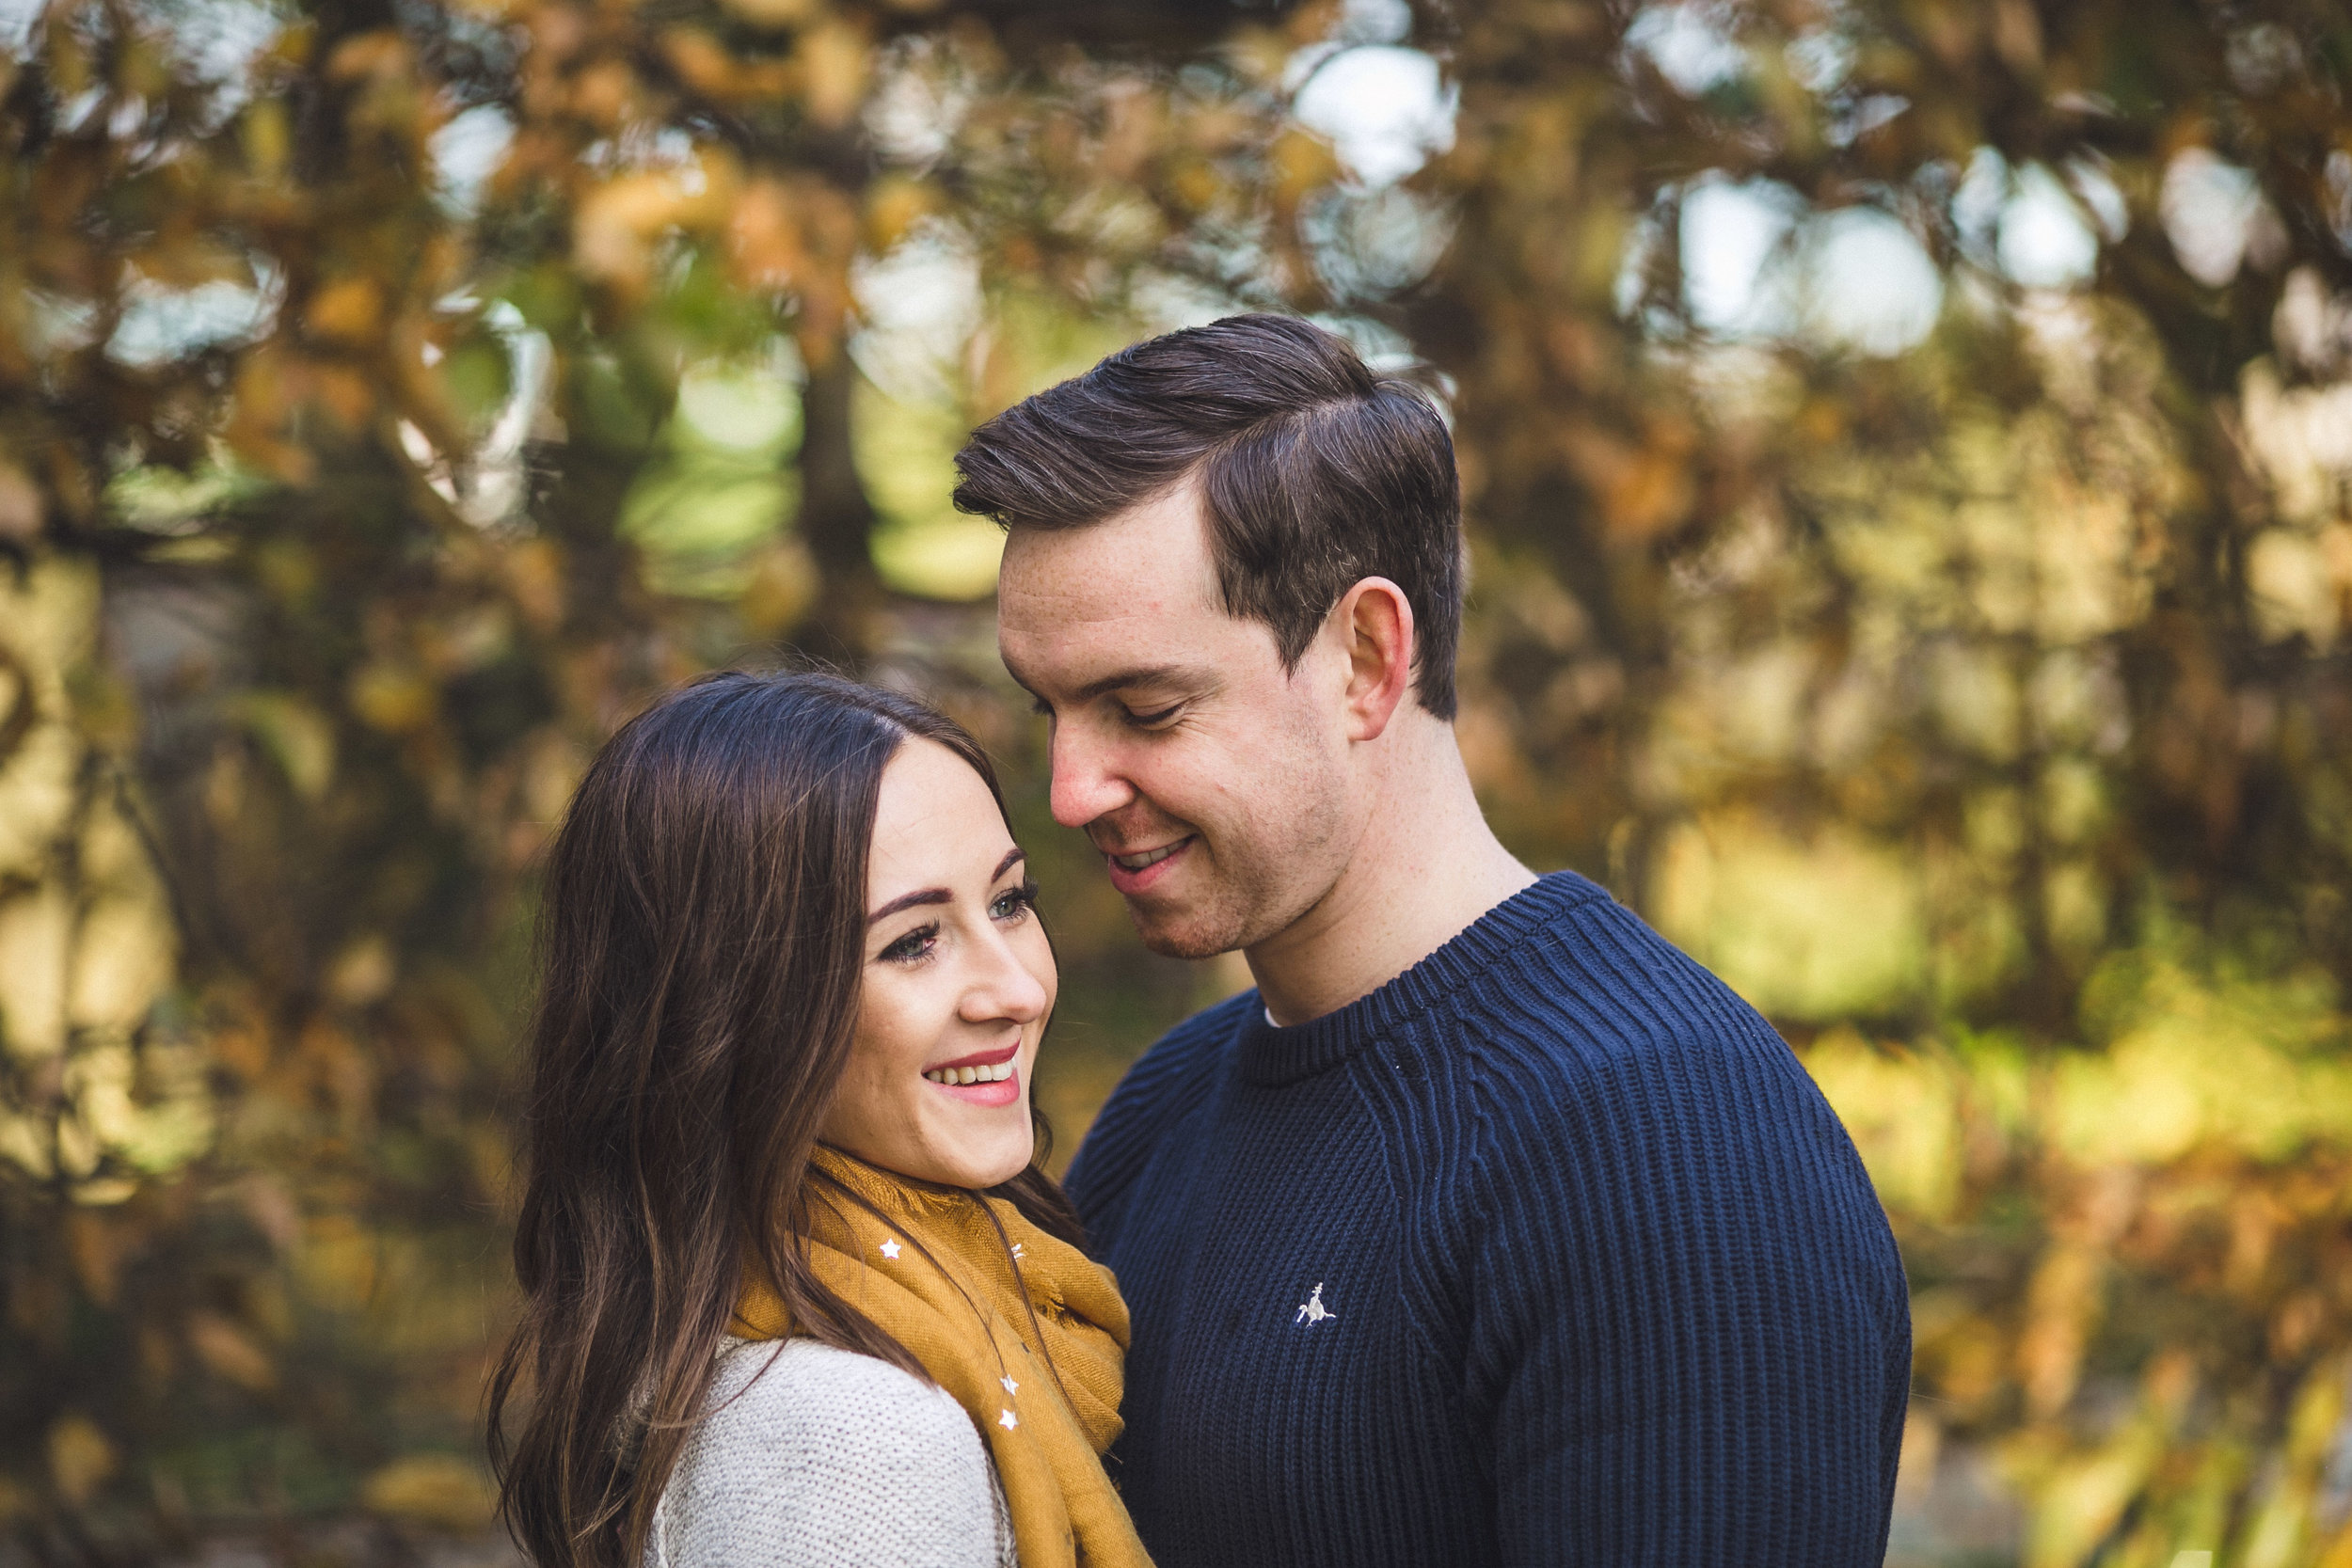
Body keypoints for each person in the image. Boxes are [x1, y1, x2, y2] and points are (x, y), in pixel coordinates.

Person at [955, 315, 1913, 1567]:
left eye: (1144, 707)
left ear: (1365, 656)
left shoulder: (1667, 1143)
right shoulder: (1159, 1119)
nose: (1071, 787)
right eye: (1050, 710)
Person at [487, 672, 1152, 1568]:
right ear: (733, 1012)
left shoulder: (738, 1326)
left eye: (1009, 901)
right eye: (913, 940)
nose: (1021, 988)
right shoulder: (859, 1446)